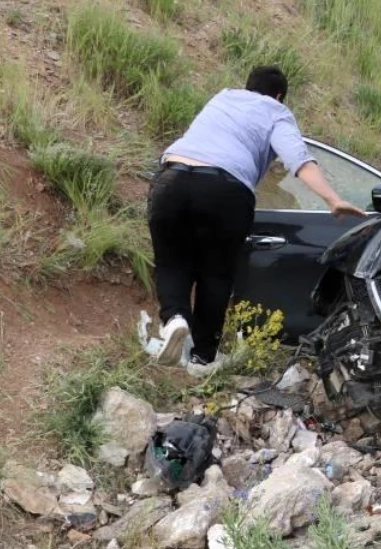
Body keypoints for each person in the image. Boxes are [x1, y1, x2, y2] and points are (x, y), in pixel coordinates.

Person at [148, 65, 366, 377]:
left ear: (248, 87)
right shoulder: (276, 111)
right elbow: (298, 160)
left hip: (171, 179)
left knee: (172, 263)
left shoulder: (222, 98)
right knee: (216, 275)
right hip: (225, 189)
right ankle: (203, 358)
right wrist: (332, 198)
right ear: (279, 96)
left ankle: (175, 319)